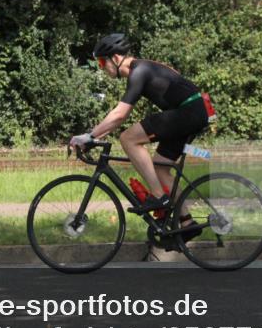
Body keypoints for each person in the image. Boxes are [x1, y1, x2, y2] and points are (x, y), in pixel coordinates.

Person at [69, 33, 208, 236]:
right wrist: (95, 135)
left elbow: (119, 114)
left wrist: (90, 136)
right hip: (193, 112)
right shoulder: (141, 69)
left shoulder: (139, 71)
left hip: (188, 112)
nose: (101, 68)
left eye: (101, 62)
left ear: (115, 58)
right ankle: (187, 224)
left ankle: (159, 196)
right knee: (161, 168)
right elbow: (119, 118)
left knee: (128, 138)